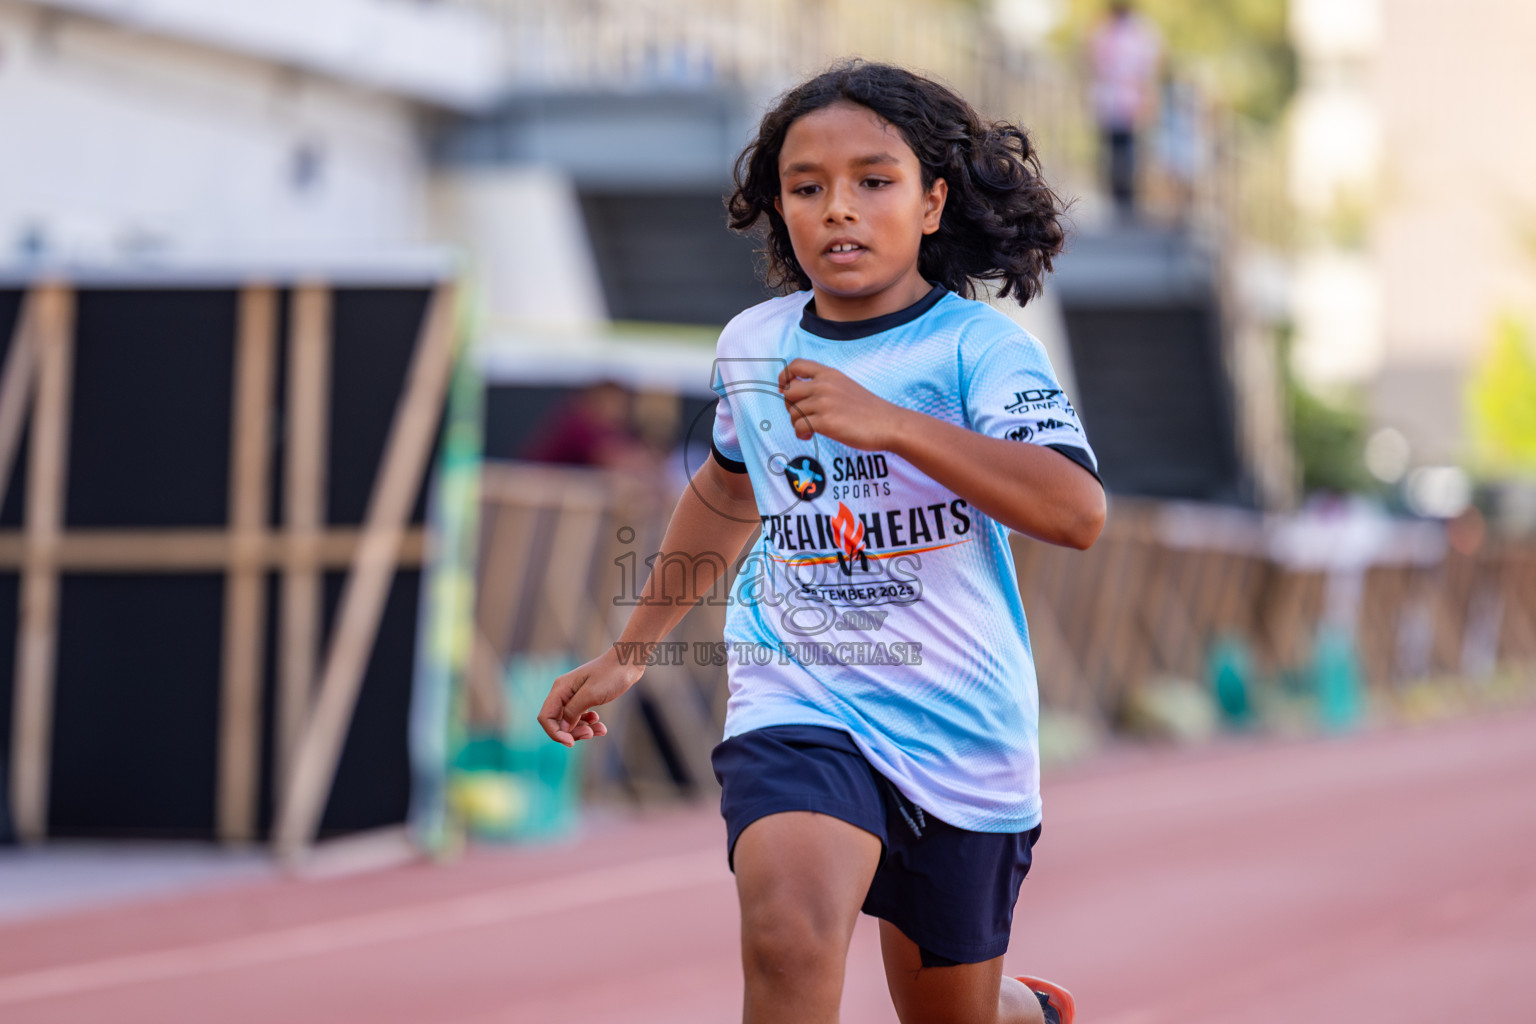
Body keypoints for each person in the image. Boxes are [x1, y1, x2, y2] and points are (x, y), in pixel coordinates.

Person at [539, 60, 1104, 1024]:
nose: (838, 208)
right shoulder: (754, 345)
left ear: (932, 202)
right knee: (788, 937)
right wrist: (631, 650)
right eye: (807, 188)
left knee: (951, 1016)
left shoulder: (980, 349)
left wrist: (893, 424)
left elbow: (1075, 512)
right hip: (799, 693)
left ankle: (1021, 1011)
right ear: (782, 210)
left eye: (873, 181)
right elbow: (729, 491)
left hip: (959, 723)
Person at [1088, 1, 1162, 219]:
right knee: (1121, 151)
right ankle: (1123, 198)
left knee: (1123, 151)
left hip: (1122, 102)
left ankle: (1124, 197)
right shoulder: (1133, 32)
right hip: (1121, 101)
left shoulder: (1114, 31)